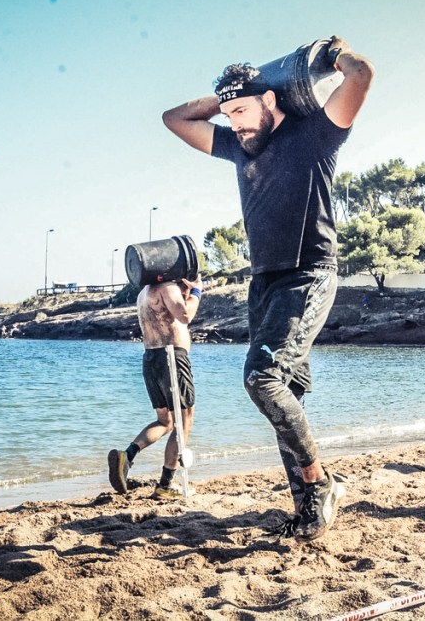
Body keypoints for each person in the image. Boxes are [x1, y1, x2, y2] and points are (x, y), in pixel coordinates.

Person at [162, 36, 374, 540]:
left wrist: (330, 54)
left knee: (262, 377)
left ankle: (321, 483)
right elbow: (174, 119)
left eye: (242, 111)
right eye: (228, 114)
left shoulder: (316, 134)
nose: (233, 123)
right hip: (264, 282)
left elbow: (361, 76)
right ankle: (308, 508)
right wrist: (230, 93)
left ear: (272, 100)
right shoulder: (239, 145)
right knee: (288, 393)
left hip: (309, 273)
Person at [107, 276, 202, 499]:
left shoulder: (145, 292)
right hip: (172, 358)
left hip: (151, 358)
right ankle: (165, 485)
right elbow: (185, 315)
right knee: (184, 421)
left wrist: (185, 294)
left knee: (165, 421)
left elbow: (168, 317)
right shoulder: (166, 288)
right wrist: (197, 292)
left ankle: (127, 455)